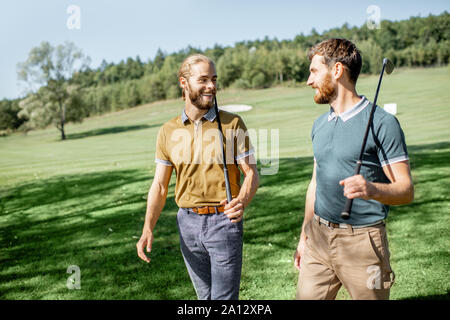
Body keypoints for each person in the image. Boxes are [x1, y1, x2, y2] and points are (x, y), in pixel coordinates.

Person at [293, 38, 414, 300]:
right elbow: (316, 183)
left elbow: (406, 191)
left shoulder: (382, 123)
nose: (309, 80)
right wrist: (305, 234)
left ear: (337, 70)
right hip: (318, 239)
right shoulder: (319, 125)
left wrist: (370, 189)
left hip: (364, 243)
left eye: (314, 71)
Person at [136, 54, 259, 300]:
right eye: (203, 80)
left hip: (224, 222)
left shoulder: (232, 123)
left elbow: (251, 172)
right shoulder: (168, 131)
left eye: (214, 79)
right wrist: (148, 227)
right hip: (187, 225)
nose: (211, 86)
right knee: (204, 299)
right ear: (184, 83)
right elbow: (160, 186)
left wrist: (242, 201)